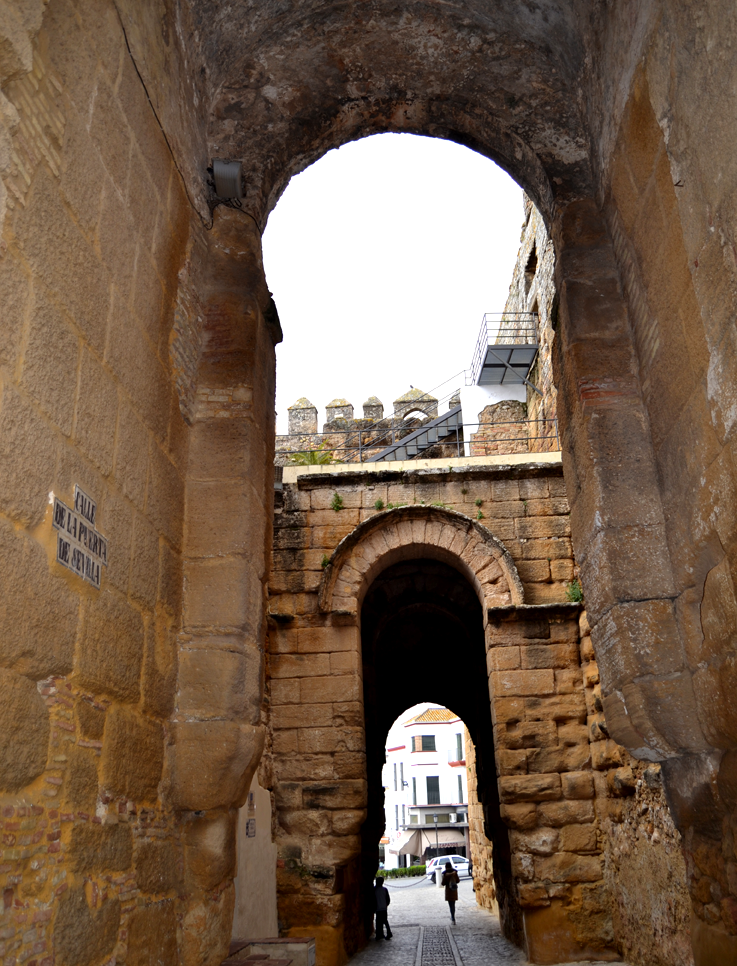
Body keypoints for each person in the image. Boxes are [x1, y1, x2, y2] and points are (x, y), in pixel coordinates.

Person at [373, 876, 392, 940]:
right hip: (384, 908)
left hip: (378, 908)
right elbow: (388, 899)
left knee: (378, 922)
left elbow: (373, 900)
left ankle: (379, 934)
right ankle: (388, 933)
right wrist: (385, 905)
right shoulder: (385, 889)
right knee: (385, 921)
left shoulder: (375, 890)